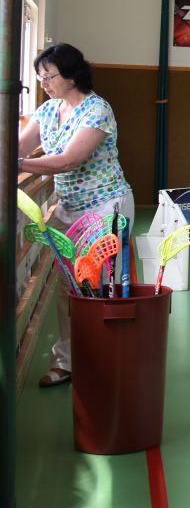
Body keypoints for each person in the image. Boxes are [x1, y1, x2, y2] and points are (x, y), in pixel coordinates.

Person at [17, 43, 135, 388]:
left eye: (49, 76)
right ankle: (67, 362)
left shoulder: (97, 110)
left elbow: (69, 160)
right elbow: (19, 146)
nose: (43, 83)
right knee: (68, 288)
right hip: (68, 209)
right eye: (40, 77)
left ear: (71, 75)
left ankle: (109, 359)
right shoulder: (48, 111)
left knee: (101, 287)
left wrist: (18, 164)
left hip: (106, 206)